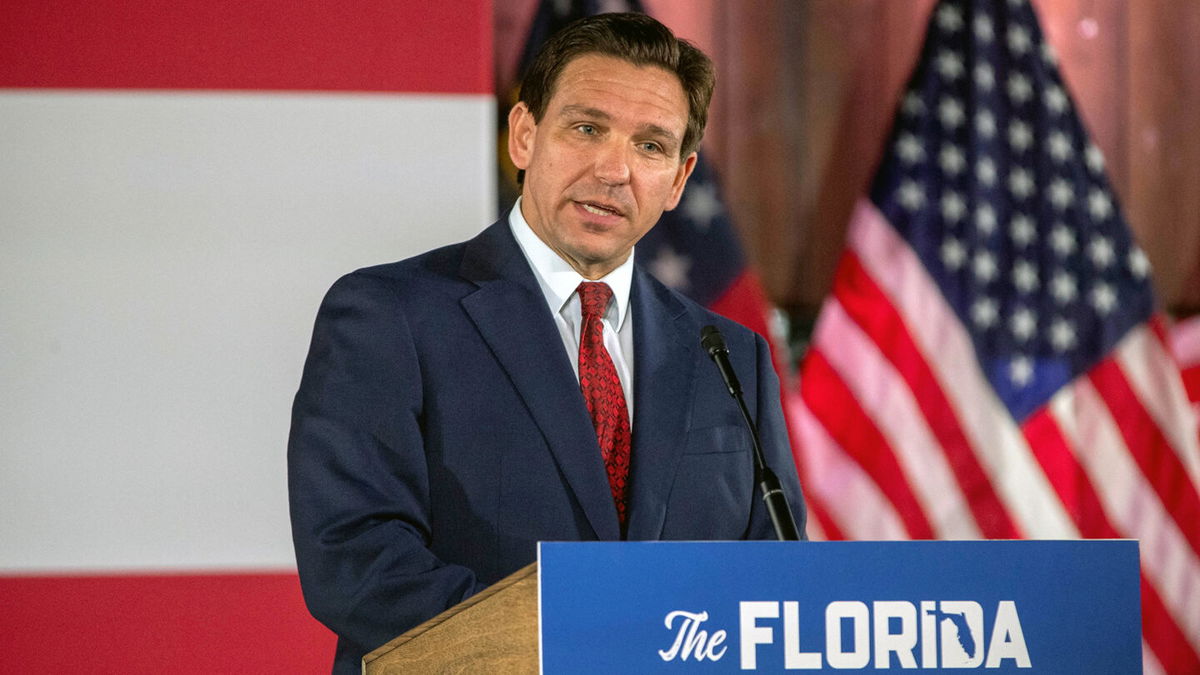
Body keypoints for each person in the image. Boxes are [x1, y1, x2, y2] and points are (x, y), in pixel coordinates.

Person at [288, 12, 805, 673]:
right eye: (587, 128)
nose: (614, 169)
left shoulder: (732, 356)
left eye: (651, 146)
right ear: (525, 134)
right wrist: (582, 645)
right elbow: (355, 559)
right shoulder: (388, 317)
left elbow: (772, 583)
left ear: (679, 179)